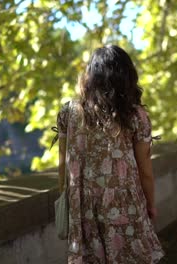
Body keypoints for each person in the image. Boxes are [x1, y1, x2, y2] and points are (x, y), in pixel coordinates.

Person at [57, 45, 165, 263]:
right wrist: (151, 204)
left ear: (89, 76)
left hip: (84, 206)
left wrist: (69, 201)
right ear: (127, 76)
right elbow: (145, 171)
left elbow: (63, 165)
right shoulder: (136, 116)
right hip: (125, 204)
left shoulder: (69, 112)